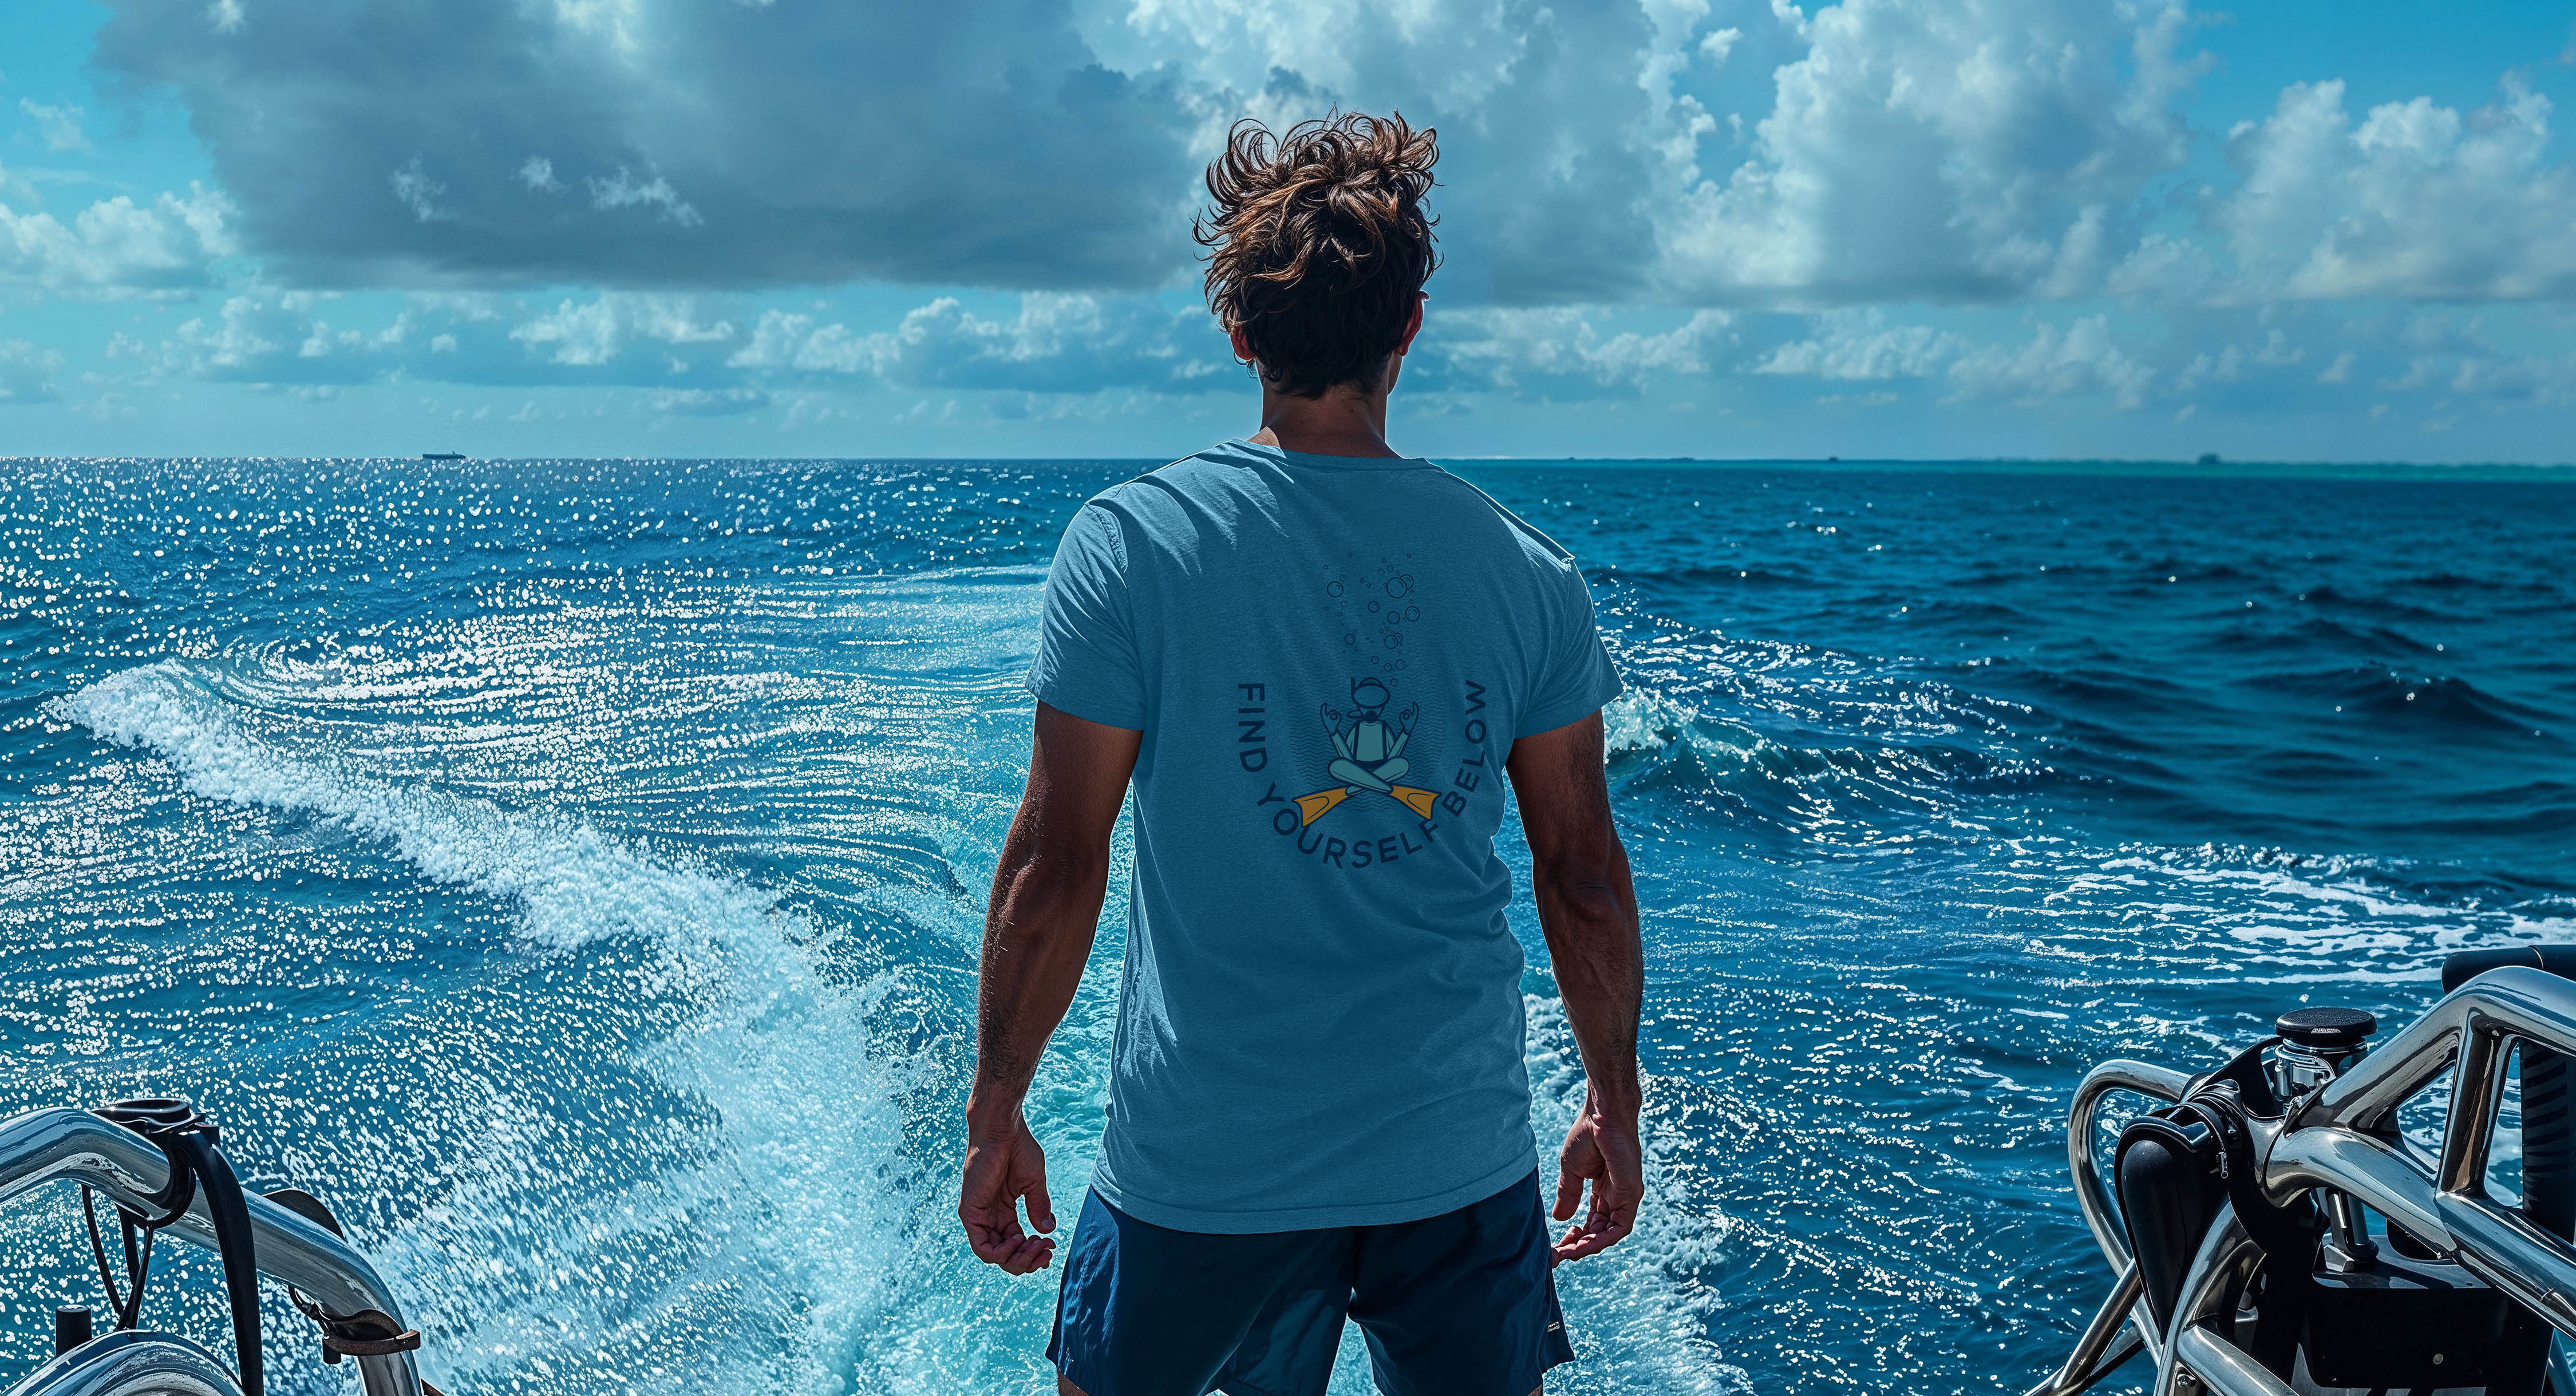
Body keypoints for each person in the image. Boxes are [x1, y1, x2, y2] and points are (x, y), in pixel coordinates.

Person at [959, 110, 1645, 1396]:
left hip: (1202, 1163)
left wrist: (996, 1107)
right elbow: (1585, 876)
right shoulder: (1527, 570)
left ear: (1240, 334)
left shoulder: (1132, 546)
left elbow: (1059, 866)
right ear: (1409, 330)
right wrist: (1614, 1102)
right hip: (1456, 1155)